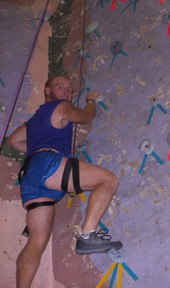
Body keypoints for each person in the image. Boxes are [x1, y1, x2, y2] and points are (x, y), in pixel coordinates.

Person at [8, 75, 122, 288]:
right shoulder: (62, 106)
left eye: (70, 90)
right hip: (47, 166)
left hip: (31, 178)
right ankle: (87, 235)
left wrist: (35, 151)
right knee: (108, 180)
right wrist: (89, 100)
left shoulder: (33, 122)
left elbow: (14, 142)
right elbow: (86, 117)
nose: (67, 93)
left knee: (36, 242)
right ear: (47, 90)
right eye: (61, 87)